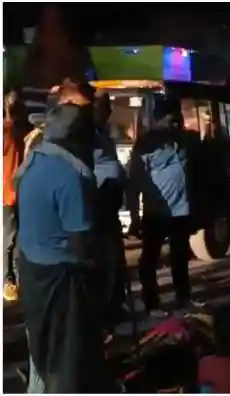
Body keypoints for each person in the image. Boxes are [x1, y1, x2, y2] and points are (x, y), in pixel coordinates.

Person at [16, 80, 110, 392]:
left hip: (32, 272)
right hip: (61, 281)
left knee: (43, 360)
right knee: (69, 366)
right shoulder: (71, 175)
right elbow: (81, 244)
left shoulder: (34, 159)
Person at [128, 97, 203, 318]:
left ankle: (184, 297)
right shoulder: (145, 144)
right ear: (160, 119)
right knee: (150, 258)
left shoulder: (182, 139)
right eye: (171, 119)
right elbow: (134, 183)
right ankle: (152, 303)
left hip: (181, 210)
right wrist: (134, 216)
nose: (175, 122)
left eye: (177, 118)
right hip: (156, 210)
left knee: (180, 256)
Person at [92, 92, 130, 330]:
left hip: (111, 204)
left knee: (116, 258)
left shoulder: (105, 132)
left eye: (108, 107)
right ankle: (106, 312)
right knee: (105, 259)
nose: (107, 111)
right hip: (100, 203)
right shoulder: (88, 135)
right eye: (103, 107)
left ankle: (116, 304)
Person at [2, 87, 29, 302]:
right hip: (9, 194)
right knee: (10, 240)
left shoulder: (16, 131)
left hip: (15, 192)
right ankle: (7, 281)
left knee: (15, 239)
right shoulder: (8, 130)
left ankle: (14, 279)